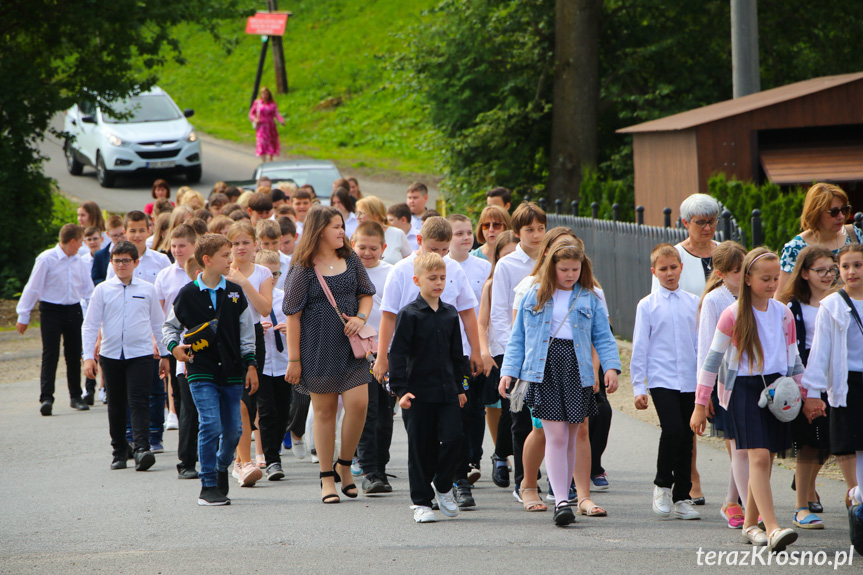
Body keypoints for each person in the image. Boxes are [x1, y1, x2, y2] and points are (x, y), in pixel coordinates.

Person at [691, 248, 803, 553]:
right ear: (748, 279)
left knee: (765, 461)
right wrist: (701, 405)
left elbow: (793, 357)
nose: (772, 284)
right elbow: (712, 361)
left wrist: (802, 393)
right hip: (743, 390)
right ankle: (774, 527)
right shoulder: (732, 314)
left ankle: (750, 524)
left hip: (777, 390)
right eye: (765, 278)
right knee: (757, 457)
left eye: (776, 278)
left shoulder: (783, 313)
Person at [500, 244, 620, 526]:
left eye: (575, 270)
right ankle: (562, 502)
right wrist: (509, 372)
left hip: (578, 370)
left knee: (570, 437)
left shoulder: (589, 298)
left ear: (583, 268)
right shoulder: (536, 294)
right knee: (554, 435)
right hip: (544, 369)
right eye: (564, 269)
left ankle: (564, 495)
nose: (569, 274)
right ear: (551, 266)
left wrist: (611, 368)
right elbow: (518, 338)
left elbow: (604, 336)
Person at [283, 205, 376, 504]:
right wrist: (294, 360)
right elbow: (293, 316)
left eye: (341, 226)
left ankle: (345, 465)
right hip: (317, 348)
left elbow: (366, 294)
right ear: (319, 230)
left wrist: (361, 317)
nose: (341, 231)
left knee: (359, 405)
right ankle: (327, 478)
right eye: (335, 226)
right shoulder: (303, 268)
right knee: (324, 413)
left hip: (351, 348)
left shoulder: (351, 258)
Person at [163, 233, 259, 506]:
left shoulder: (235, 292)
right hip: (200, 370)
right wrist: (174, 348)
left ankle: (220, 467)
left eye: (230, 255)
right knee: (211, 424)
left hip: (232, 371)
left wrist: (250, 364)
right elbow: (169, 328)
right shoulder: (187, 294)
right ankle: (207, 484)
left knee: (234, 431)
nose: (231, 260)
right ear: (207, 260)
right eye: (225, 256)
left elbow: (246, 333)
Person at [651, 192, 720, 505]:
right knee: (690, 421)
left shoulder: (726, 253)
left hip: (724, 343)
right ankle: (690, 478)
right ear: (685, 223)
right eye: (700, 222)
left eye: (712, 221)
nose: (707, 228)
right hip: (690, 348)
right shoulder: (673, 258)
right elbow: (660, 307)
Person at [389, 252, 467, 523]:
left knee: (454, 437)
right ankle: (421, 501)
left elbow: (458, 354)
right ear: (417, 280)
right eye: (432, 278)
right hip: (417, 393)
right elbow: (397, 355)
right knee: (420, 447)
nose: (438, 283)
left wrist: (462, 386)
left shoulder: (450, 313)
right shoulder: (409, 314)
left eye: (443, 278)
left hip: (447, 391)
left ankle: (443, 486)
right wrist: (400, 391)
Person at [82, 241, 170, 471]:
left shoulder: (147, 289)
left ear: (136, 263)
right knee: (117, 403)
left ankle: (142, 449)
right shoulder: (102, 290)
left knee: (140, 401)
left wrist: (164, 353)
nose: (121, 265)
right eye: (117, 260)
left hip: (140, 353)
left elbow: (158, 323)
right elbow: (90, 325)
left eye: (126, 261)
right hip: (111, 355)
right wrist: (88, 356)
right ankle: (120, 450)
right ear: (111, 263)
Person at [631, 244, 701, 520]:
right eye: (663, 269)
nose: (669, 273)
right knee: (672, 430)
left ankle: (683, 496)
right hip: (661, 378)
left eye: (673, 267)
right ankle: (662, 485)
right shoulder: (647, 305)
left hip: (690, 379)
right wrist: (639, 386)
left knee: (687, 437)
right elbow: (640, 346)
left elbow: (699, 343)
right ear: (654, 272)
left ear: (681, 267)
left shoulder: (694, 302)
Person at [801, 244, 863, 537]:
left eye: (858, 265)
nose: (851, 272)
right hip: (846, 383)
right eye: (846, 266)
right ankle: (856, 501)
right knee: (849, 444)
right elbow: (820, 352)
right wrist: (812, 392)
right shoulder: (832, 305)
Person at [777, 246, 837, 529]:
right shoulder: (793, 308)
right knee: (810, 444)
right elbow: (790, 351)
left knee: (830, 444)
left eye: (831, 269)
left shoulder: (840, 302)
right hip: (807, 384)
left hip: (837, 382)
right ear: (804, 273)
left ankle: (808, 489)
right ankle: (801, 506)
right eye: (820, 270)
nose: (828, 275)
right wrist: (803, 389)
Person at [489, 201, 546, 498]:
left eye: (540, 229)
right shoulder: (507, 264)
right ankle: (523, 479)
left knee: (547, 418)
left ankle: (545, 474)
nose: (536, 235)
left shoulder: (551, 259)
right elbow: (500, 312)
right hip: (518, 351)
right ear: (517, 232)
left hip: (548, 351)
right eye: (529, 230)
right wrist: (513, 351)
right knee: (520, 416)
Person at [107, 211, 171, 451]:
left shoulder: (160, 261)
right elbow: (108, 295)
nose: (136, 234)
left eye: (141, 230)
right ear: (125, 232)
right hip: (127, 335)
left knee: (154, 388)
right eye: (131, 230)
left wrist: (162, 339)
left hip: (153, 330)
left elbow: (163, 301)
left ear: (149, 230)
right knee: (127, 390)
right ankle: (130, 434)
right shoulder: (115, 260)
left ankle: (155, 434)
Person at [696, 241, 748, 529]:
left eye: (744, 269)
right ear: (721, 272)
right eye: (736, 271)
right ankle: (737, 503)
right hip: (725, 384)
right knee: (738, 448)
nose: (742, 275)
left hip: (751, 381)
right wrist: (704, 396)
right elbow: (706, 349)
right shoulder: (715, 301)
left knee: (746, 447)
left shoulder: (754, 296)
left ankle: (733, 501)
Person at [17, 224, 94, 415]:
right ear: (73, 241)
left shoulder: (79, 262)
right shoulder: (46, 259)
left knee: (74, 353)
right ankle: (46, 398)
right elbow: (33, 287)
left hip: (73, 309)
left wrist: (94, 314)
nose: (81, 246)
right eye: (80, 241)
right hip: (51, 310)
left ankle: (76, 396)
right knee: (50, 353)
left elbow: (88, 290)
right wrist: (23, 314)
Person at [447, 214, 491, 506]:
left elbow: (484, 312)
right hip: (447, 351)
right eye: (458, 233)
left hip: (472, 348)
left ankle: (474, 459)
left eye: (467, 232)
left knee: (476, 409)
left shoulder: (484, 267)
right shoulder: (438, 268)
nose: (465, 237)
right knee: (456, 413)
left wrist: (482, 349)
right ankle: (457, 473)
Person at [226, 221, 274, 486]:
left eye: (245, 242)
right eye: (235, 243)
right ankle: (244, 462)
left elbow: (265, 308)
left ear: (255, 244)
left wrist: (243, 282)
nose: (240, 248)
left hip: (254, 336)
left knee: (250, 400)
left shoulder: (262, 272)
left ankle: (239, 457)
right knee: (239, 402)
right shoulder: (221, 271)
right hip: (227, 337)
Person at [351, 221, 395, 494]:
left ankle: (380, 465)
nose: (367, 253)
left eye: (373, 248)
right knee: (367, 411)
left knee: (386, 413)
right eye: (362, 247)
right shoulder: (347, 273)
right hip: (357, 353)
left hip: (387, 351)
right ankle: (369, 469)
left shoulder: (393, 272)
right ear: (353, 245)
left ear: (384, 248)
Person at [154, 224, 200, 479]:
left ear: (194, 246)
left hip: (206, 348)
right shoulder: (165, 276)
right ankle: (186, 461)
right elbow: (163, 316)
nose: (178, 250)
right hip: (179, 348)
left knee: (201, 406)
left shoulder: (202, 273)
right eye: (174, 246)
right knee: (186, 407)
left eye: (183, 245)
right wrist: (164, 348)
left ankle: (210, 454)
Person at [476, 231, 518, 480]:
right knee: (509, 407)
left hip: (529, 348)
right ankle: (501, 454)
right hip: (502, 350)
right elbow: (482, 323)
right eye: (506, 255)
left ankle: (524, 463)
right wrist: (485, 352)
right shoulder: (491, 285)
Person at [778, 183, 861, 295]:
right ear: (815, 213)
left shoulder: (854, 235)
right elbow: (782, 298)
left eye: (844, 210)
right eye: (834, 212)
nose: (841, 216)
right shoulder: (795, 248)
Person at [255, 249, 291, 481]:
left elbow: (301, 324)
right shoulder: (250, 297)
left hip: (283, 363)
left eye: (277, 273)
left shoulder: (285, 297)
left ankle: (275, 450)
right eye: (269, 274)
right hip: (261, 363)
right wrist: (258, 329)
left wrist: (291, 329)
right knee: (266, 411)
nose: (274, 278)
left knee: (282, 412)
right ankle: (272, 460)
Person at [356, 196, 411, 264]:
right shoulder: (356, 235)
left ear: (376, 215)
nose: (358, 217)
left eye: (361, 213)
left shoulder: (398, 234)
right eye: (357, 213)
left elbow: (409, 262)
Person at [249, 87, 285, 162]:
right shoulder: (257, 103)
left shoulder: (273, 104)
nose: (265, 96)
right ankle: (263, 160)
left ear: (269, 95)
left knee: (271, 142)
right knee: (262, 142)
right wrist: (254, 119)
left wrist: (281, 120)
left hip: (270, 126)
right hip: (261, 126)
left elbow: (277, 114)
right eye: (263, 94)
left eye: (266, 94)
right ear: (261, 95)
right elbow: (251, 114)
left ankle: (271, 159)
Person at [92, 215, 126, 286]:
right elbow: (95, 279)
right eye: (115, 236)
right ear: (108, 234)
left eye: (121, 234)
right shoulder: (100, 255)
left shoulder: (135, 251)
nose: (119, 239)